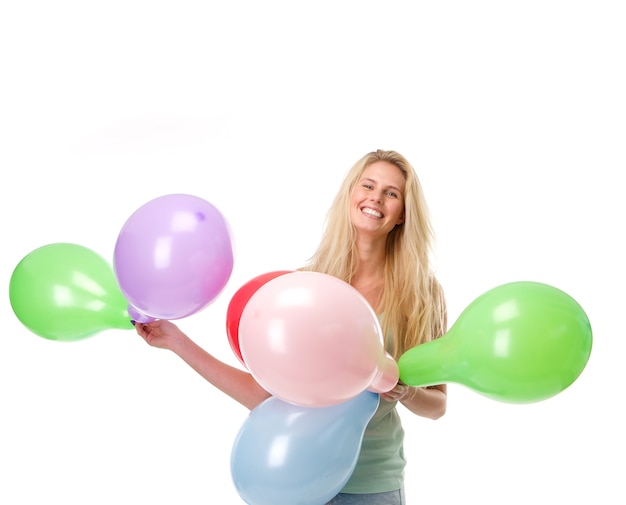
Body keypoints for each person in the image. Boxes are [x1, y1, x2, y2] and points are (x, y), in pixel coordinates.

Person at [135, 149, 448, 504]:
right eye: (368, 185)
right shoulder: (304, 288)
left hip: (372, 485)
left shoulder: (421, 296)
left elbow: (437, 405)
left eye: (392, 193)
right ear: (351, 195)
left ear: (403, 214)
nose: (376, 197)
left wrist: (405, 391)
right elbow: (264, 396)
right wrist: (177, 342)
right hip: (298, 481)